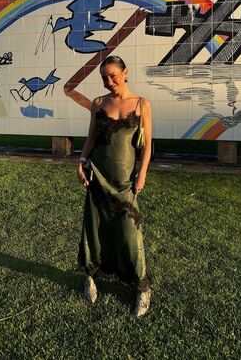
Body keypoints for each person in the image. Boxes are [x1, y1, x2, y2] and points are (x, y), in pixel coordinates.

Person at [77, 55, 152, 316]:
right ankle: (90, 277)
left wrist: (142, 174)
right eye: (104, 78)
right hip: (97, 176)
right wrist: (82, 161)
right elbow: (90, 138)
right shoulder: (98, 103)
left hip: (125, 181)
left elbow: (148, 146)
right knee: (94, 228)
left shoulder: (142, 104)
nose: (109, 82)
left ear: (125, 72)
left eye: (113, 76)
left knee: (130, 234)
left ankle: (142, 288)